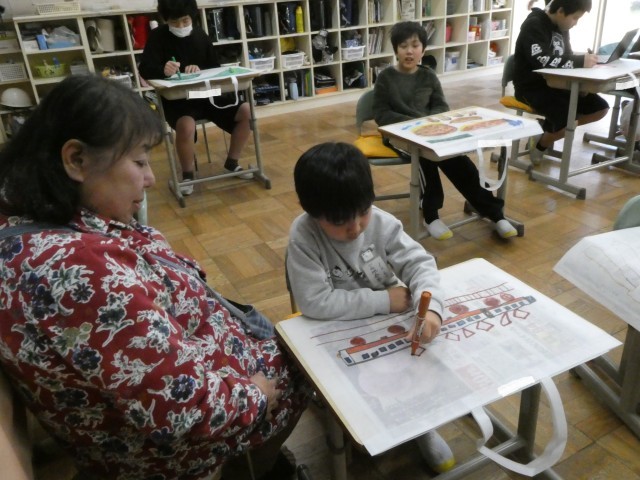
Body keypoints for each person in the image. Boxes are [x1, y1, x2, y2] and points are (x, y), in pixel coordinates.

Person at [0, 74, 308, 480]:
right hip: (160, 446)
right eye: (140, 162)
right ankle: (256, 469)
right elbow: (179, 407)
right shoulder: (76, 271)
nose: (149, 179)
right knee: (303, 368)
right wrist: (257, 396)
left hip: (187, 372)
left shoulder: (36, 219)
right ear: (76, 160)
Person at [286, 141, 456, 474]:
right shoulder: (304, 236)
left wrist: (433, 308)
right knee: (356, 394)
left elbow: (420, 264)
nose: (355, 228)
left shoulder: (381, 222)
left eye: (363, 211)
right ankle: (351, 428)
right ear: (312, 212)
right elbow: (314, 301)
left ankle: (422, 427)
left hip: (385, 322)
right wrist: (383, 300)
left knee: (418, 373)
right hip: (334, 326)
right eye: (339, 220)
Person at [372, 21, 517, 240]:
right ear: (396, 50)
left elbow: (441, 106)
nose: (409, 51)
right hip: (399, 135)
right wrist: (415, 124)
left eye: (415, 45)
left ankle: (495, 213)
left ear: (423, 50)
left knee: (459, 161)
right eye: (403, 46)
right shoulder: (386, 78)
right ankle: (431, 215)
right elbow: (381, 114)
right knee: (425, 160)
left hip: (432, 133)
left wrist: (432, 123)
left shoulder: (428, 76)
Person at [138, 0, 253, 197]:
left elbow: (214, 68)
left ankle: (232, 162)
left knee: (246, 111)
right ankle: (188, 175)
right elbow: (145, 70)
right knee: (186, 125)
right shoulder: (158, 37)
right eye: (175, 22)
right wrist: (163, 70)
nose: (181, 26)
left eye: (185, 21)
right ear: (166, 20)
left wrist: (200, 70)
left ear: (192, 17)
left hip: (205, 95)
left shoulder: (200, 35)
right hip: (177, 100)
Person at [513, 0, 609, 164]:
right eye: (575, 18)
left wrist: (582, 83)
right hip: (532, 88)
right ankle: (541, 144)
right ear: (560, 11)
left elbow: (567, 57)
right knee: (567, 117)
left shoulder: (562, 27)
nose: (575, 23)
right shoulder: (533, 25)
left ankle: (546, 132)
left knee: (600, 108)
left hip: (559, 86)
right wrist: (580, 61)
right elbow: (542, 61)